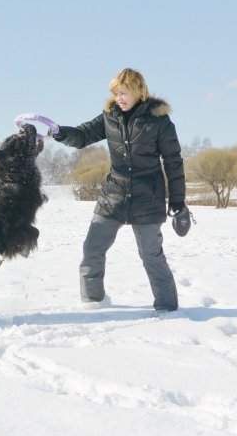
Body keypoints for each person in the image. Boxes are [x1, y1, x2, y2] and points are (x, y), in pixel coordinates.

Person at [53, 68, 186, 312]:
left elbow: (173, 161)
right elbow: (83, 135)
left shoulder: (159, 120)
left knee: (151, 256)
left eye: (123, 93)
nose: (119, 99)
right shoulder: (109, 116)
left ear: (138, 91)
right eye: (116, 93)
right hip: (113, 196)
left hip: (148, 198)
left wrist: (178, 202)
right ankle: (93, 303)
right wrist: (61, 132)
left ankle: (167, 309)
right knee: (92, 250)